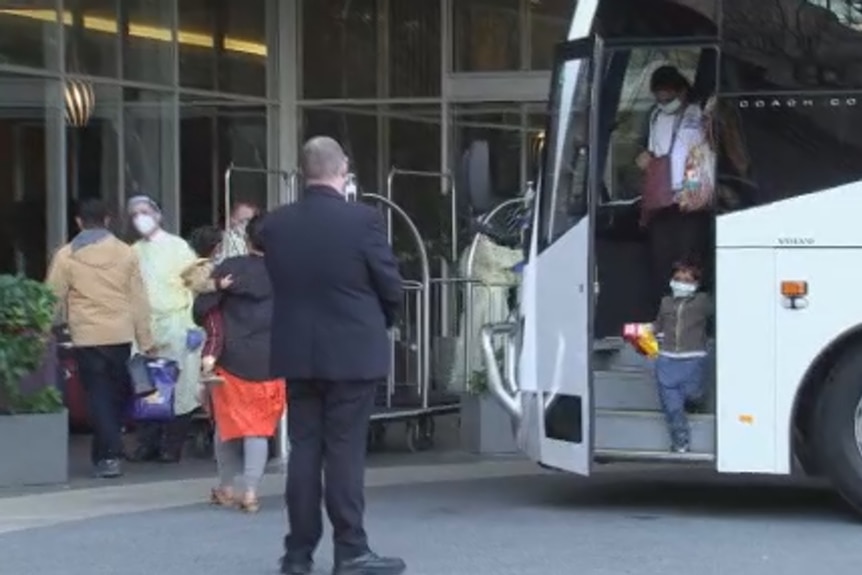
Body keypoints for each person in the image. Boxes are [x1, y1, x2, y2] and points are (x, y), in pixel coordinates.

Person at [261, 136, 405, 575]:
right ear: (342, 171)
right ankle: (351, 550)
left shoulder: (276, 225)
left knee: (304, 449)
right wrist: (386, 318)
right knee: (343, 451)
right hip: (352, 352)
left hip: (297, 352)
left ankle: (298, 554)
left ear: (305, 172)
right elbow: (390, 283)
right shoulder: (362, 220)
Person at [45, 198, 156, 478]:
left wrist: (42, 328)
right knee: (116, 393)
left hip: (87, 336)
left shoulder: (67, 255)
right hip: (120, 334)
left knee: (98, 395)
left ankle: (108, 454)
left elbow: (51, 297)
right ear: (108, 220)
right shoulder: (125, 253)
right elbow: (138, 299)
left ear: (79, 222)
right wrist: (146, 340)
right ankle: (107, 452)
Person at [193, 215, 286, 514]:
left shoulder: (230, 269)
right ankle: (251, 492)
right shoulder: (287, 273)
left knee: (227, 426)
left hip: (230, 360)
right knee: (258, 428)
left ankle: (226, 487)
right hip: (272, 361)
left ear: (247, 239)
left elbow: (201, 309)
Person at [126, 195, 202, 463]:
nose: (140, 218)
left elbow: (196, 283)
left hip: (176, 323)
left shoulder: (178, 247)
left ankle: (172, 445)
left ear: (158, 215)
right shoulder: (133, 252)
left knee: (180, 387)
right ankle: (148, 443)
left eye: (145, 212)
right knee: (146, 386)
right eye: (134, 214)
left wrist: (195, 325)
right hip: (145, 326)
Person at [636, 65, 711, 310]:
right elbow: (647, 150)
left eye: (668, 96)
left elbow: (702, 154)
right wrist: (643, 157)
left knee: (689, 258)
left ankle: (692, 315)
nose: (664, 102)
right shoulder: (654, 117)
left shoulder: (698, 114)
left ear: (681, 91)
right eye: (659, 97)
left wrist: (692, 189)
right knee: (662, 259)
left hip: (692, 200)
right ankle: (665, 313)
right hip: (662, 201)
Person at [652, 260, 713, 454]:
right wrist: (646, 332)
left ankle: (695, 402)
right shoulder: (666, 302)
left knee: (693, 394)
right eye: (678, 279)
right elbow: (658, 326)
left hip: (694, 358)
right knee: (673, 407)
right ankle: (680, 442)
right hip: (667, 359)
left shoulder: (703, 302)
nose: (681, 283)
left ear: (696, 284)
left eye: (687, 280)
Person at [181, 225, 233, 379]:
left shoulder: (204, 264)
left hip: (208, 306)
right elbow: (199, 284)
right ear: (216, 247)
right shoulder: (200, 266)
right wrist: (218, 284)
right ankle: (207, 367)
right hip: (207, 307)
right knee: (216, 334)